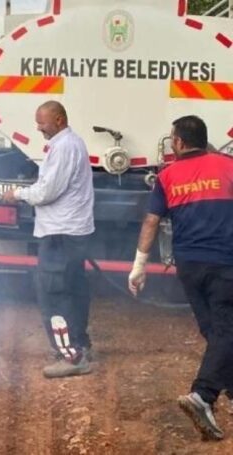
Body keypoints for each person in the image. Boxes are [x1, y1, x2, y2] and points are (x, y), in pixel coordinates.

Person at [129, 115, 233, 441]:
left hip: (189, 267)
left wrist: (138, 266)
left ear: (178, 142)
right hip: (225, 263)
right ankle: (203, 395)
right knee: (226, 332)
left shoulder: (167, 175)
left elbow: (150, 223)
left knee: (215, 331)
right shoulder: (228, 166)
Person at [1, 100, 95, 378]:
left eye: (42, 122)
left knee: (53, 294)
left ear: (59, 120)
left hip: (60, 233)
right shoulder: (69, 144)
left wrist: (17, 194)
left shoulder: (64, 147)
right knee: (73, 289)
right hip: (71, 231)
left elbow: (47, 192)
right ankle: (79, 343)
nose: (38, 127)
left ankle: (72, 356)